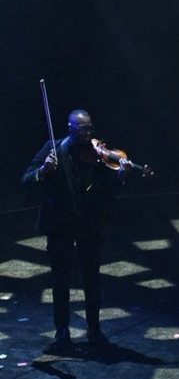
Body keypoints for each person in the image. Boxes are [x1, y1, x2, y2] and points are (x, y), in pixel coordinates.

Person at [22, 108, 129, 354]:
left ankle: (94, 329)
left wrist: (121, 177)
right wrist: (43, 171)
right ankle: (62, 333)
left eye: (90, 129)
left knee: (92, 279)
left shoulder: (97, 155)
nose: (88, 134)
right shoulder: (52, 149)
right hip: (59, 225)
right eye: (83, 129)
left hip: (89, 224)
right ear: (71, 128)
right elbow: (26, 179)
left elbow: (107, 190)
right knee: (61, 281)